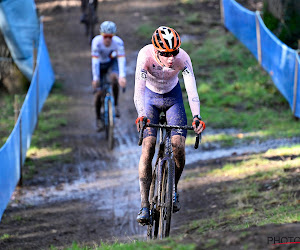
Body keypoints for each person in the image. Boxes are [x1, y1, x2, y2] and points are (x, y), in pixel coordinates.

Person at [134, 26, 206, 225]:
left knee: (178, 147)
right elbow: (138, 90)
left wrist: (197, 116)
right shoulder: (145, 55)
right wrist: (141, 114)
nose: (171, 58)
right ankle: (144, 205)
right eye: (166, 54)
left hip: (173, 99)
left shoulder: (183, 58)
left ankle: (173, 189)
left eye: (174, 52)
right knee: (148, 148)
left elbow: (191, 89)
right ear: (156, 50)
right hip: (150, 99)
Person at [91, 21, 127, 130]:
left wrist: (122, 76)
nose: (107, 39)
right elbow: (95, 63)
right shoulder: (96, 42)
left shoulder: (118, 42)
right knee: (98, 93)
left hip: (112, 63)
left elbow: (121, 60)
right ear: (101, 35)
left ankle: (115, 105)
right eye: (105, 37)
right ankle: (98, 118)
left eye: (110, 37)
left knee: (115, 79)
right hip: (100, 64)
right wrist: (95, 78)